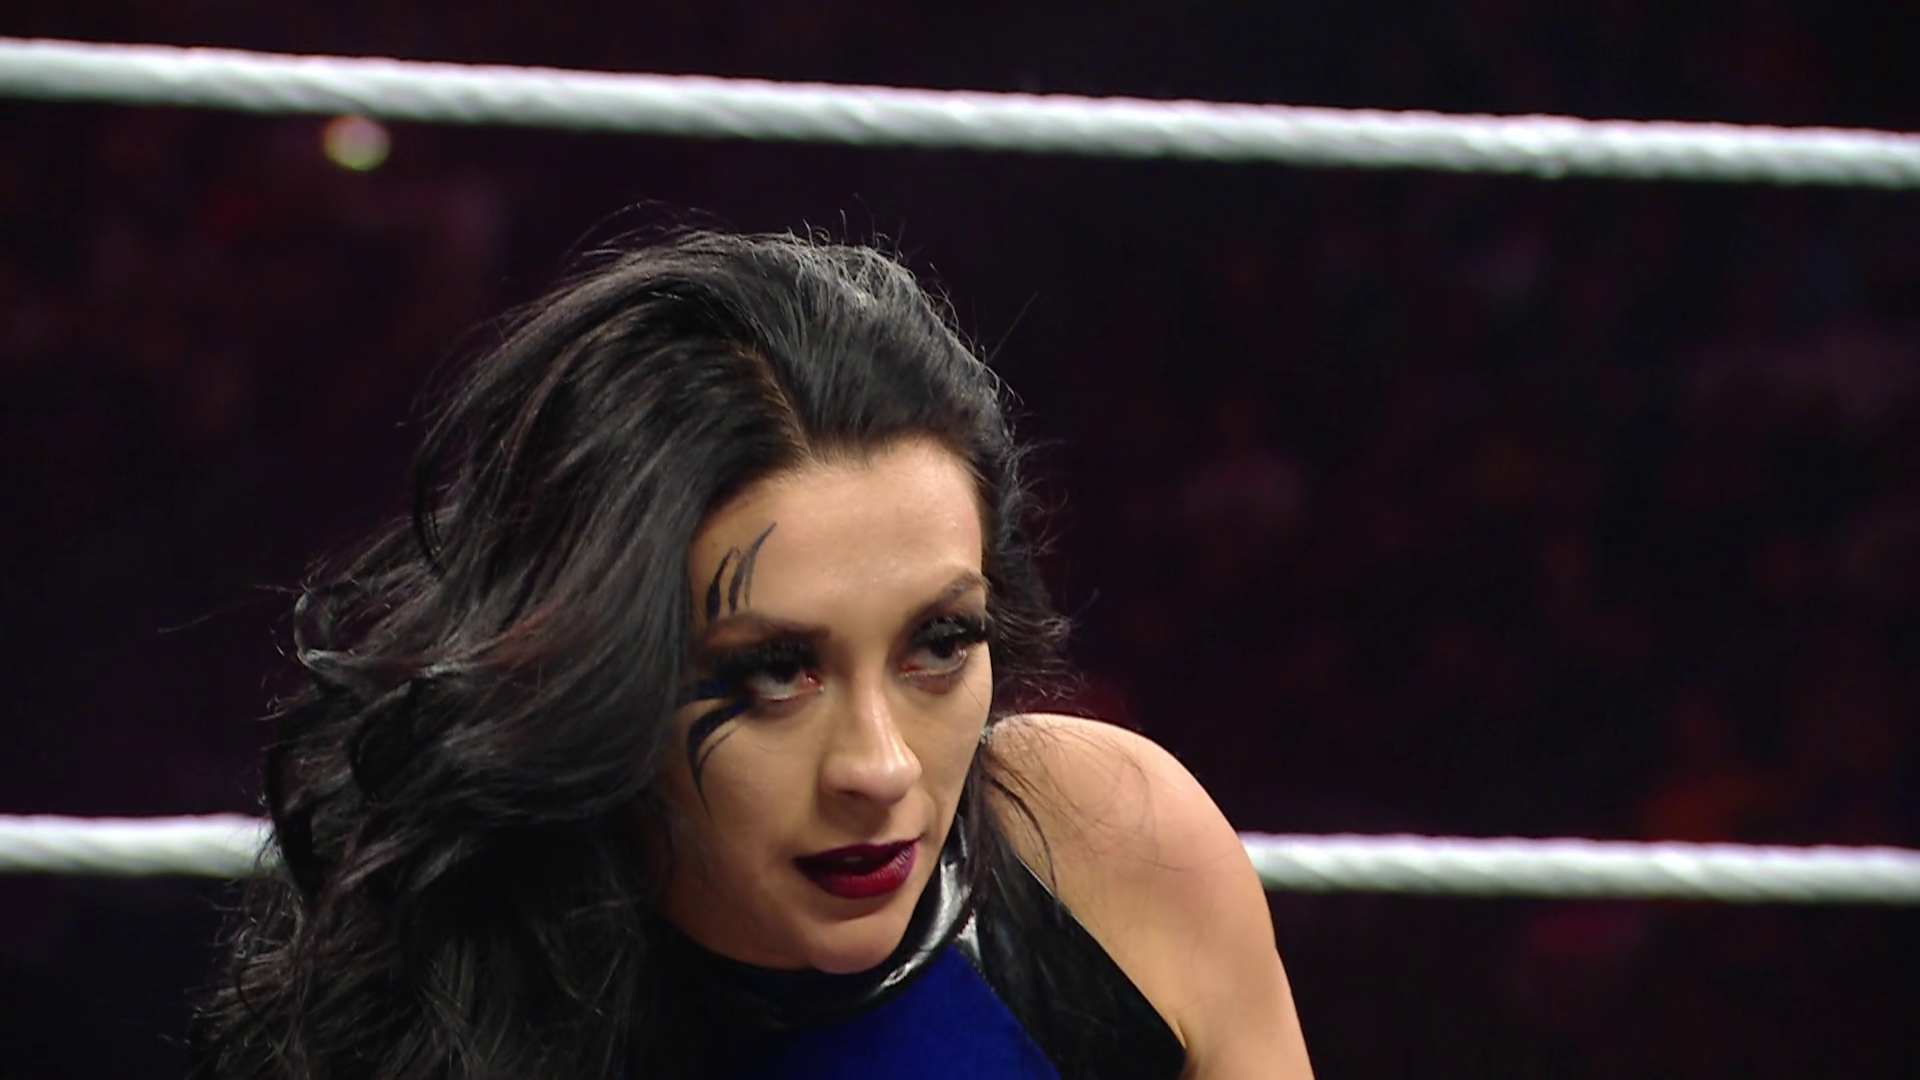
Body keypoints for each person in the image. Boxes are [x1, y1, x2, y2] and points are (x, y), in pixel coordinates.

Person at [189, 231, 1314, 1079]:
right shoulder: (443, 1004)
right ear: (603, 675)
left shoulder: (1109, 849)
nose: (879, 767)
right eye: (776, 670)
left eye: (939, 642)